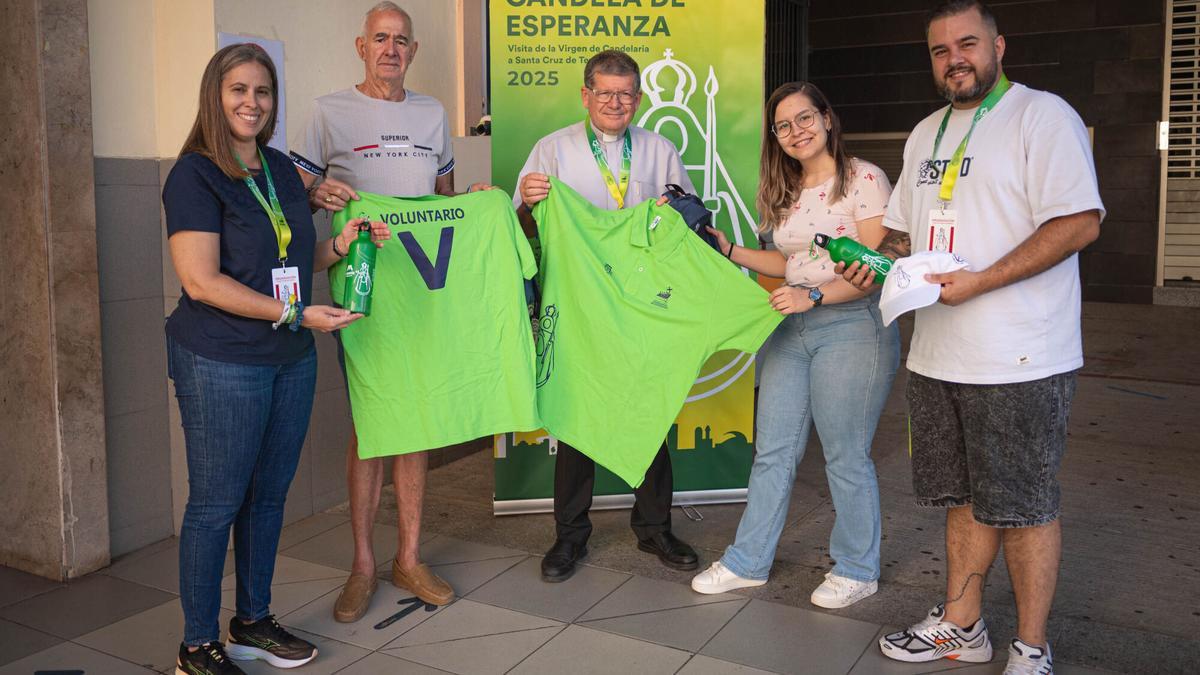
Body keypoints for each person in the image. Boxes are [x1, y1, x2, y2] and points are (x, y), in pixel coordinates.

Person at [839, 2, 1103, 672]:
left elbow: (1078, 223)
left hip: (1021, 357)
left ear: (999, 46)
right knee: (961, 498)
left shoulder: (1043, 117)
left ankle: (1033, 645)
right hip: (937, 355)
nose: (954, 58)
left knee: (1025, 504)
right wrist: (869, 261)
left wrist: (983, 280)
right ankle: (962, 625)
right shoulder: (925, 132)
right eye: (939, 50)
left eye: (967, 43)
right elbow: (903, 233)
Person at [164, 43, 388, 675]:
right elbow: (202, 281)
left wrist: (340, 246)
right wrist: (297, 314)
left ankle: (252, 621)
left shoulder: (281, 170)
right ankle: (197, 645)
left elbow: (291, 260)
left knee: (268, 499)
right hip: (221, 359)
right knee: (216, 503)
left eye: (262, 92)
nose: (251, 103)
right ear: (216, 95)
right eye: (238, 90)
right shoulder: (194, 174)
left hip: (289, 356)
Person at [290, 1, 489, 623]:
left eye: (402, 40)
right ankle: (362, 566)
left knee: (417, 421)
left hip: (423, 294)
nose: (391, 49)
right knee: (373, 424)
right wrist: (316, 191)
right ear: (361, 46)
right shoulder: (327, 112)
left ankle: (407, 557)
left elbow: (443, 202)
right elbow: (291, 199)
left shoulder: (433, 113)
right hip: (364, 289)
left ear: (413, 51)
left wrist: (474, 206)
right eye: (381, 39)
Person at [688, 82, 899, 608]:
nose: (795, 132)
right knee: (773, 451)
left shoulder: (864, 179)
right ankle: (747, 561)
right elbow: (788, 262)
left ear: (827, 119)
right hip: (789, 328)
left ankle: (856, 568)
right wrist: (730, 250)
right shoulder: (782, 191)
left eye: (805, 119)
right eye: (783, 126)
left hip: (853, 326)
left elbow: (877, 266)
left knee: (845, 454)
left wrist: (814, 295)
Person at [517, 49, 700, 582]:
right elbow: (521, 232)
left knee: (650, 412)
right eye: (605, 93)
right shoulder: (550, 150)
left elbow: (686, 222)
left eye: (625, 94)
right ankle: (570, 535)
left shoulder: (660, 150)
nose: (615, 102)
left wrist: (674, 214)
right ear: (585, 95)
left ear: (638, 99)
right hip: (577, 309)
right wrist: (528, 204)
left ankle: (655, 529)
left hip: (643, 307)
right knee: (578, 422)